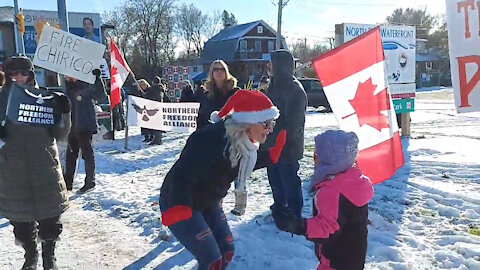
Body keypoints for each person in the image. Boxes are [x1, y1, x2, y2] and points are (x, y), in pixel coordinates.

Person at [160, 90, 286, 269]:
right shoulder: (210, 139)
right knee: (212, 260)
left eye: (271, 123)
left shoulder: (244, 143)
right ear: (248, 121)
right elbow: (183, 174)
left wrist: (270, 156)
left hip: (208, 200)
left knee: (226, 250)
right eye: (266, 124)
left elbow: (234, 165)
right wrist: (180, 204)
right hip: (179, 200)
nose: (270, 130)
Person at [0, 56, 71, 270]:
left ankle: (49, 256)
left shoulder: (46, 98)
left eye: (23, 73)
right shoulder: (0, 99)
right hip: (13, 169)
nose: (18, 78)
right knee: (21, 222)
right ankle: (30, 256)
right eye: (13, 74)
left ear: (31, 74)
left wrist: (65, 112)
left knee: (50, 219)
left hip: (45, 167)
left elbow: (60, 134)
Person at [272, 130, 373, 270]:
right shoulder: (353, 181)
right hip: (353, 258)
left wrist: (298, 226)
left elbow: (329, 229)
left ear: (331, 158)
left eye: (318, 154)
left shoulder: (332, 191)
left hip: (335, 262)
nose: (315, 158)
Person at [262, 49, 307, 219]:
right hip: (271, 145)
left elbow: (294, 125)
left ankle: (294, 214)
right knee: (275, 180)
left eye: (272, 63)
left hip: (287, 147)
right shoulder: (272, 86)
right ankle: (279, 207)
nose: (269, 66)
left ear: (280, 66)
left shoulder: (294, 90)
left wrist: (280, 140)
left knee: (289, 182)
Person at [64, 69, 107, 193]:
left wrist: (97, 79)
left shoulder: (87, 85)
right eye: (66, 75)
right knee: (70, 155)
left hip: (85, 125)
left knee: (87, 154)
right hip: (72, 125)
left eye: (68, 74)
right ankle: (68, 183)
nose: (67, 77)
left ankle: (90, 181)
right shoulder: (67, 87)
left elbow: (101, 96)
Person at [196, 60, 239, 129]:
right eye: (216, 69)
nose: (219, 72)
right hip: (210, 134)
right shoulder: (206, 95)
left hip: (231, 133)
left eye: (222, 69)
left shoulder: (235, 92)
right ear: (211, 73)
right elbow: (201, 118)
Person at [145, 76, 165, 145]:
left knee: (155, 124)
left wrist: (144, 94)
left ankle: (157, 140)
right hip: (159, 107)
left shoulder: (154, 89)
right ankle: (158, 138)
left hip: (154, 107)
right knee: (158, 124)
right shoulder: (161, 88)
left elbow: (148, 97)